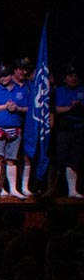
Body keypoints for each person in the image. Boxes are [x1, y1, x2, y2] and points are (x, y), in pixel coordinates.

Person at [0, 61, 31, 198]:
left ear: (11, 75)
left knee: (11, 159)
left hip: (15, 129)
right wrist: (4, 106)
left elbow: (28, 108)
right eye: (1, 76)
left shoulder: (20, 91)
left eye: (6, 76)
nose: (4, 78)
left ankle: (13, 189)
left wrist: (17, 108)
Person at [53, 66, 83, 199]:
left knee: (74, 160)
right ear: (65, 78)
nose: (73, 78)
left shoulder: (82, 90)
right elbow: (55, 109)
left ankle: (72, 190)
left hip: (78, 128)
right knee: (60, 159)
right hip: (63, 129)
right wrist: (70, 108)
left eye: (75, 75)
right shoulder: (59, 91)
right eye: (70, 75)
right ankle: (55, 189)